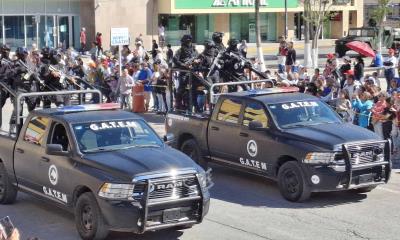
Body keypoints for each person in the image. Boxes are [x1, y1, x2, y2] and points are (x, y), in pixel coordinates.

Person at [173, 34, 199, 110]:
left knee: (194, 90)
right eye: (187, 41)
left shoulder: (194, 50)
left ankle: (194, 106)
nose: (189, 43)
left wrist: (197, 61)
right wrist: (184, 65)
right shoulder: (180, 50)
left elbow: (198, 56)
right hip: (184, 72)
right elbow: (175, 59)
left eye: (189, 41)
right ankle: (178, 105)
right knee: (181, 89)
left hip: (193, 72)